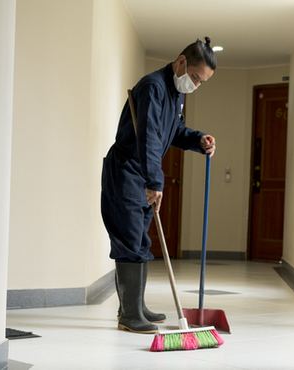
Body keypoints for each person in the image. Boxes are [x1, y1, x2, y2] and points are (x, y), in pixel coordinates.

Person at [101, 37, 217, 334]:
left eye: (201, 82)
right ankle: (129, 315)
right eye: (195, 77)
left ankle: (135, 307)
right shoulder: (153, 87)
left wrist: (197, 139)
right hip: (127, 169)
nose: (195, 85)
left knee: (140, 239)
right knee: (130, 240)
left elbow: (173, 130)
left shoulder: (175, 93)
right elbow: (150, 138)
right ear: (181, 62)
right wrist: (155, 181)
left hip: (141, 171)